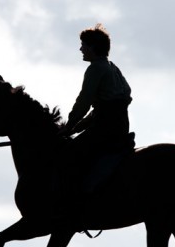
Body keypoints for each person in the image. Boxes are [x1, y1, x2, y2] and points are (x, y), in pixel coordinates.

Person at [56, 24, 134, 221]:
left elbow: (84, 102)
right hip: (118, 127)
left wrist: (70, 124)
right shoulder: (112, 67)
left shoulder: (95, 69)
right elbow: (101, 109)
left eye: (83, 45)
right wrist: (74, 127)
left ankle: (74, 206)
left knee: (68, 155)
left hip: (105, 129)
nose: (81, 49)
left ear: (92, 47)